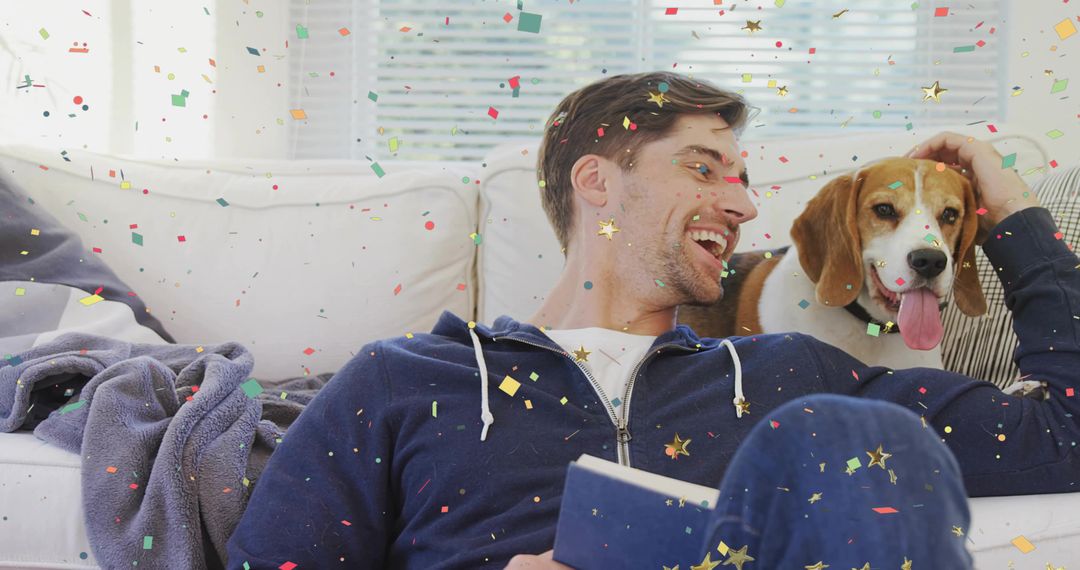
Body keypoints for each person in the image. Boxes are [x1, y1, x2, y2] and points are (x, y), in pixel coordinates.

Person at [226, 71, 1076, 569]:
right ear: (597, 183)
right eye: (704, 169)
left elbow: (1065, 432)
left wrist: (1015, 215)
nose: (742, 205)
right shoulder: (404, 380)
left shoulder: (792, 373)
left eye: (741, 180)